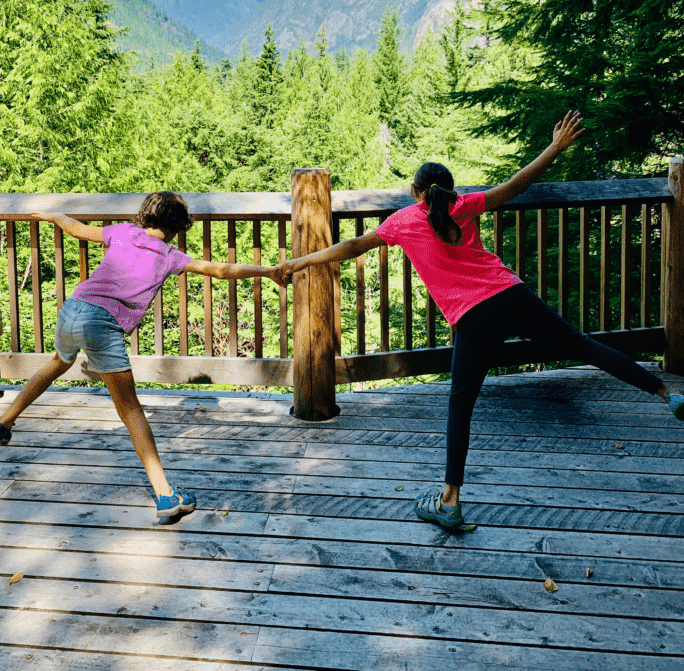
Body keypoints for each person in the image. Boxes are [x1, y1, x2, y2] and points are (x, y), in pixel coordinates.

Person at [276, 112, 684, 530]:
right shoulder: (464, 205)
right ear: (446, 190)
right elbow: (516, 185)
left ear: (416, 192)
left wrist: (297, 262)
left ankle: (449, 501)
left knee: (461, 401)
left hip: (474, 316)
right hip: (511, 293)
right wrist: (555, 149)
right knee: (582, 346)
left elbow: (349, 246)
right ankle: (664, 392)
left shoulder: (402, 222)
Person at [0, 191, 286, 521]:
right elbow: (220, 269)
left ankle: (3, 423)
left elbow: (75, 229)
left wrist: (52, 216)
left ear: (145, 216)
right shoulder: (170, 256)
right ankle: (166, 495)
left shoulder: (124, 231)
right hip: (101, 323)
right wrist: (267, 270)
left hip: (73, 310)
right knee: (130, 409)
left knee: (59, 362)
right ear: (177, 226)